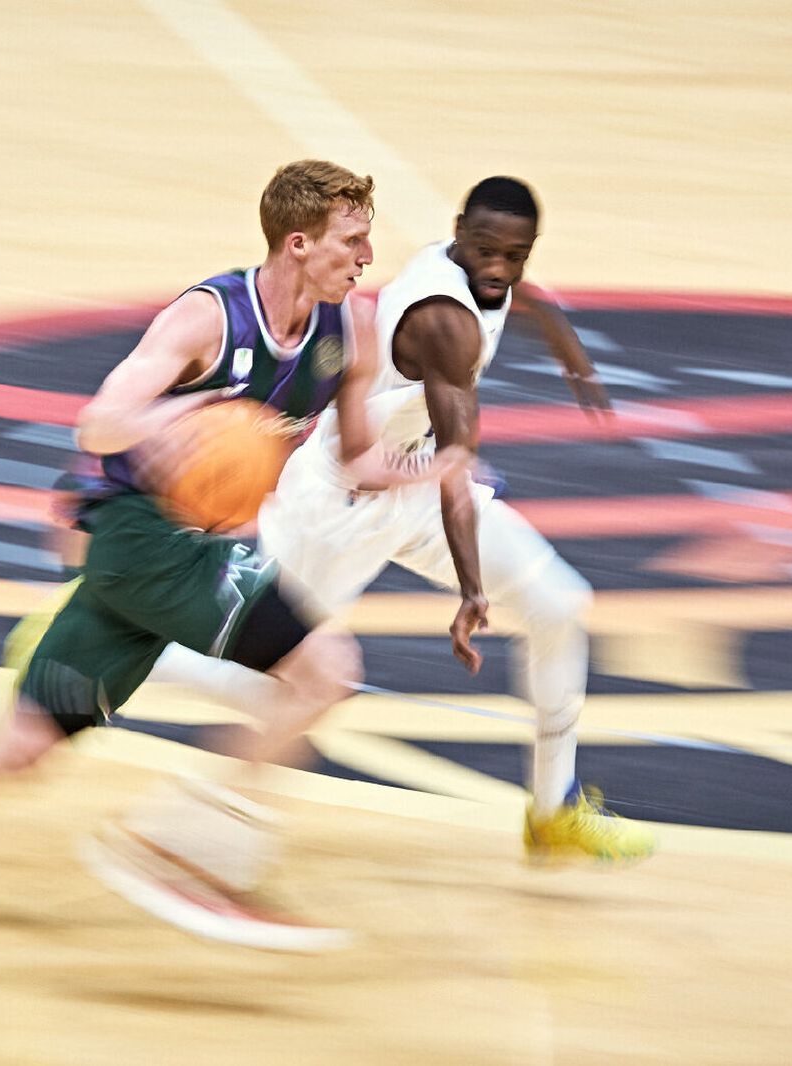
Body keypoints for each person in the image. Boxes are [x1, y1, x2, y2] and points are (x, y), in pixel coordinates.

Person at [0, 159, 461, 959]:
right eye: (351, 241)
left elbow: (355, 457)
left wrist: (435, 467)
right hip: (142, 539)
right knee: (323, 668)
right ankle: (189, 849)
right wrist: (181, 418)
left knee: (19, 744)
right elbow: (100, 422)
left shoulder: (343, 333)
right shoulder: (207, 319)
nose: (364, 257)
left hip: (185, 549)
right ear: (297, 243)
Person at [153, 176, 656, 862]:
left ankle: (553, 810)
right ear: (459, 234)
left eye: (516, 255)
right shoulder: (444, 323)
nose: (500, 268)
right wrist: (473, 592)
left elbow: (516, 292)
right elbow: (456, 471)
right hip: (343, 502)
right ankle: (131, 650)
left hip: (412, 482)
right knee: (282, 675)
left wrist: (566, 345)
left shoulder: (481, 266)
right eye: (487, 251)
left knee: (560, 603)